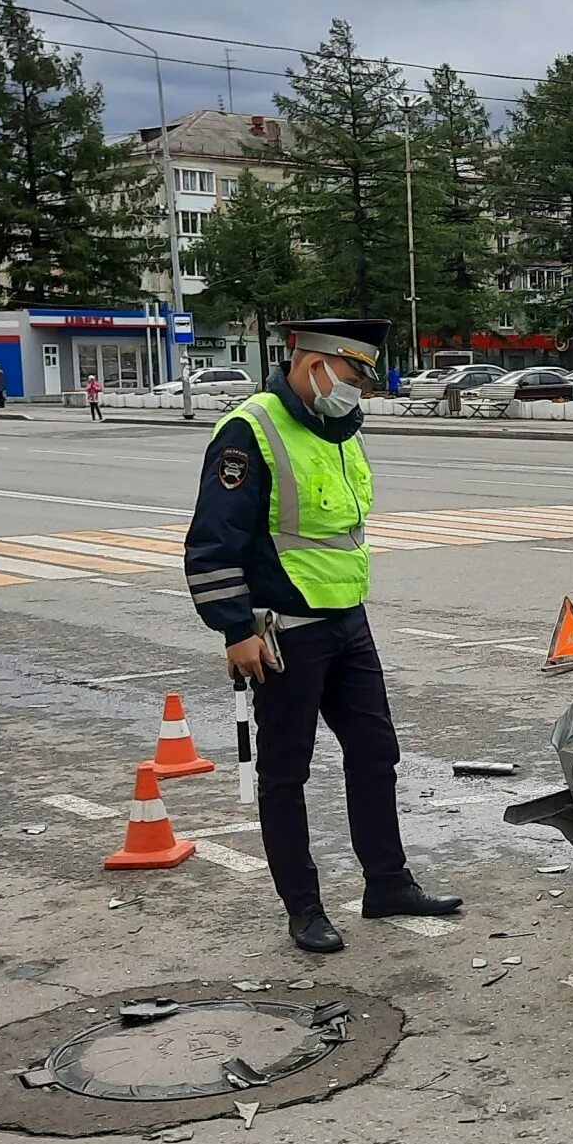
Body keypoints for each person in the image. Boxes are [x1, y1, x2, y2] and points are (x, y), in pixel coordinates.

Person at [182, 318, 462, 953]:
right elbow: (211, 542)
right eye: (354, 377)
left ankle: (386, 884)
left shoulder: (339, 429)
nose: (358, 391)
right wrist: (234, 630)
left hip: (347, 622)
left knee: (375, 754)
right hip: (284, 633)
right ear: (315, 367)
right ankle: (303, 908)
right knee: (286, 773)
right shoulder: (249, 430)